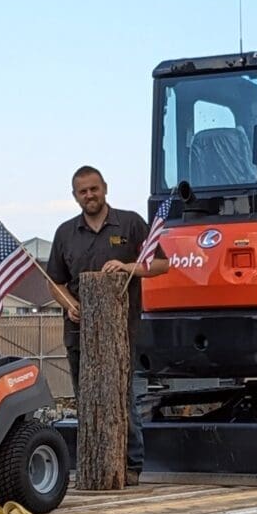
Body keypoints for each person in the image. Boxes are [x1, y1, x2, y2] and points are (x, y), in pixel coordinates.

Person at [47, 165, 169, 485]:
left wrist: (129, 266)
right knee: (87, 399)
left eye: (94, 188)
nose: (90, 195)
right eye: (82, 191)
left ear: (105, 188)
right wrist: (69, 305)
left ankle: (130, 465)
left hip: (122, 331)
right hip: (79, 332)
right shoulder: (65, 233)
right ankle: (94, 466)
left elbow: (162, 264)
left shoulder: (130, 223)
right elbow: (54, 282)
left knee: (123, 399)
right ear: (75, 196)